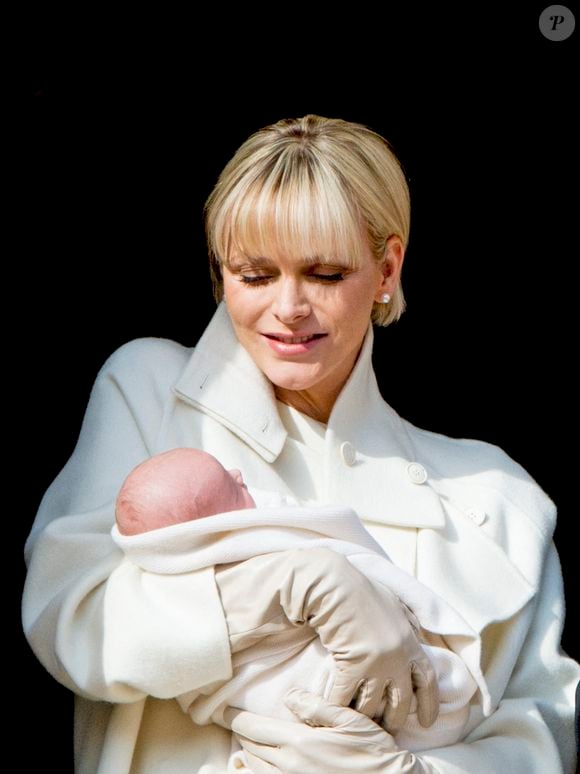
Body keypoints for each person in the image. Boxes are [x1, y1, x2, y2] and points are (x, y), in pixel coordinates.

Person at [22, 114, 579, 773]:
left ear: (386, 269)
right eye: (255, 275)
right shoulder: (149, 390)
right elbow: (72, 621)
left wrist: (407, 773)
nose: (288, 306)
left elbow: (541, 737)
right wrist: (285, 588)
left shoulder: (497, 495)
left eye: (323, 273)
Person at [113, 446, 489, 767]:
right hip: (290, 701)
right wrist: (289, 580)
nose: (239, 473)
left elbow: (531, 741)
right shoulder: (140, 385)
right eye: (230, 484)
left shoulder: (502, 497)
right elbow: (99, 620)